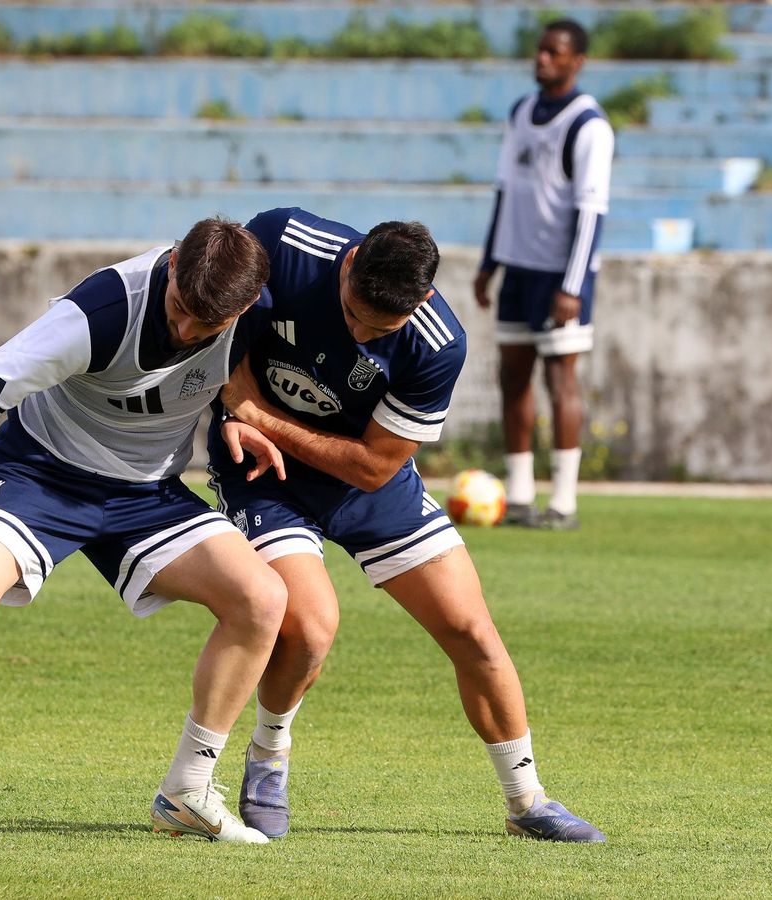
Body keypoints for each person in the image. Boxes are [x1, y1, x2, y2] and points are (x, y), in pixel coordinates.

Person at [0, 218, 291, 844]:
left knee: (263, 600)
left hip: (146, 494)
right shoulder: (102, 311)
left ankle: (188, 791)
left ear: (243, 307)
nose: (185, 330)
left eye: (206, 323)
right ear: (169, 271)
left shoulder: (260, 310)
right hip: (41, 478)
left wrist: (230, 417)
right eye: (180, 309)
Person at [211, 207, 605, 843]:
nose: (363, 336)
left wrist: (259, 412)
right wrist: (233, 409)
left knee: (471, 630)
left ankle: (526, 799)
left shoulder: (438, 343)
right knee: (311, 625)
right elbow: (214, 325)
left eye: (380, 328)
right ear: (348, 265)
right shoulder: (282, 242)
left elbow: (372, 466)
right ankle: (268, 760)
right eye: (352, 315)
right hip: (265, 472)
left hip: (364, 481)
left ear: (422, 298)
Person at [473, 19, 614, 530]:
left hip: (560, 276)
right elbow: (505, 191)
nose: (542, 60)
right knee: (512, 377)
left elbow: (591, 211)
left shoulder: (589, 125)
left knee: (561, 380)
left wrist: (572, 286)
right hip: (518, 269)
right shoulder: (520, 113)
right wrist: (490, 263)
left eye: (554, 53)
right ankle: (519, 495)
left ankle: (565, 501)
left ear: (577, 61)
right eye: (539, 51)